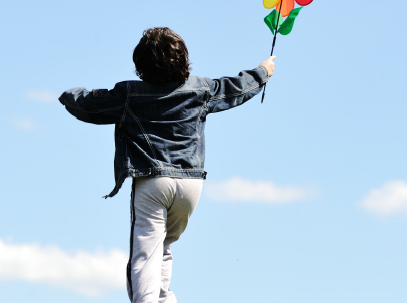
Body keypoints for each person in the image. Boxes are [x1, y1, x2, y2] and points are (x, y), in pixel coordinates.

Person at [59, 27, 276, 303]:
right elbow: (235, 88)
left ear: (141, 65)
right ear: (184, 60)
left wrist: (68, 94)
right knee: (163, 246)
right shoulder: (201, 89)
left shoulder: (129, 94)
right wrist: (263, 71)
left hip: (153, 182)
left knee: (145, 252)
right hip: (190, 186)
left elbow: (88, 105)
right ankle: (164, 299)